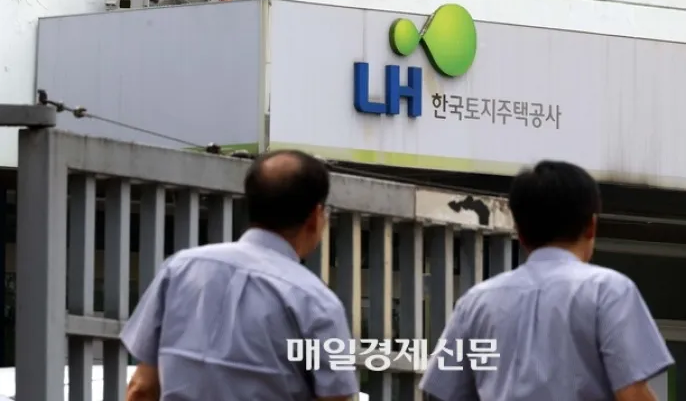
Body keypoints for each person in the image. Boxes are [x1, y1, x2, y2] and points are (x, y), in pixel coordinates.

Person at [419, 160, 674, 401]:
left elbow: (443, 393)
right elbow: (632, 393)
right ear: (591, 226)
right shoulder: (609, 291)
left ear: (520, 232)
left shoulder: (475, 302)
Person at [121, 149, 359, 401]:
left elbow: (141, 388)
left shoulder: (179, 269)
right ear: (315, 216)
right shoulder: (318, 303)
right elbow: (336, 397)